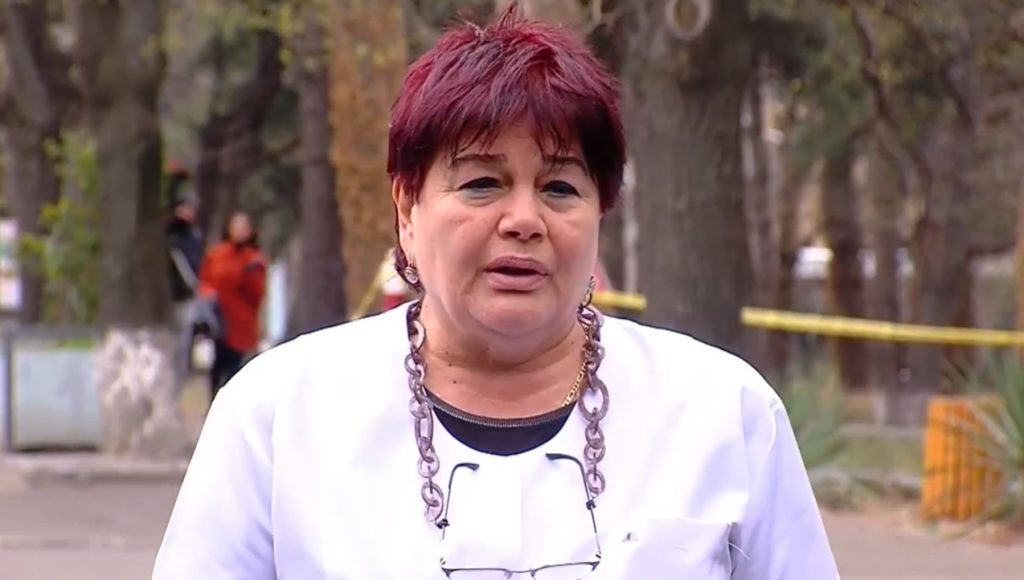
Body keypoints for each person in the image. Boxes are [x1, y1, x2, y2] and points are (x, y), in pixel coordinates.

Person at [153, 8, 839, 579]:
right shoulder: (277, 417)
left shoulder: (723, 414)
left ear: (600, 214)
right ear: (408, 207)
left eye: (560, 187)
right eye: (482, 183)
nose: (523, 220)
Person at [196, 211, 267, 399]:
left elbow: (258, 293)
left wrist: (248, 277)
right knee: (217, 367)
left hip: (242, 324)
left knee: (238, 370)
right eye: (237, 227)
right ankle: (214, 401)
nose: (240, 231)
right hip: (219, 320)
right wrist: (208, 296)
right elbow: (205, 280)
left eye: (244, 227)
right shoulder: (217, 254)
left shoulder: (254, 258)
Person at [165, 173, 206, 378]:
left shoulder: (194, 236)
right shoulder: (168, 236)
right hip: (169, 296)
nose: (188, 212)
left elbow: (197, 264)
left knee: (182, 343)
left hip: (186, 296)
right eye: (184, 208)